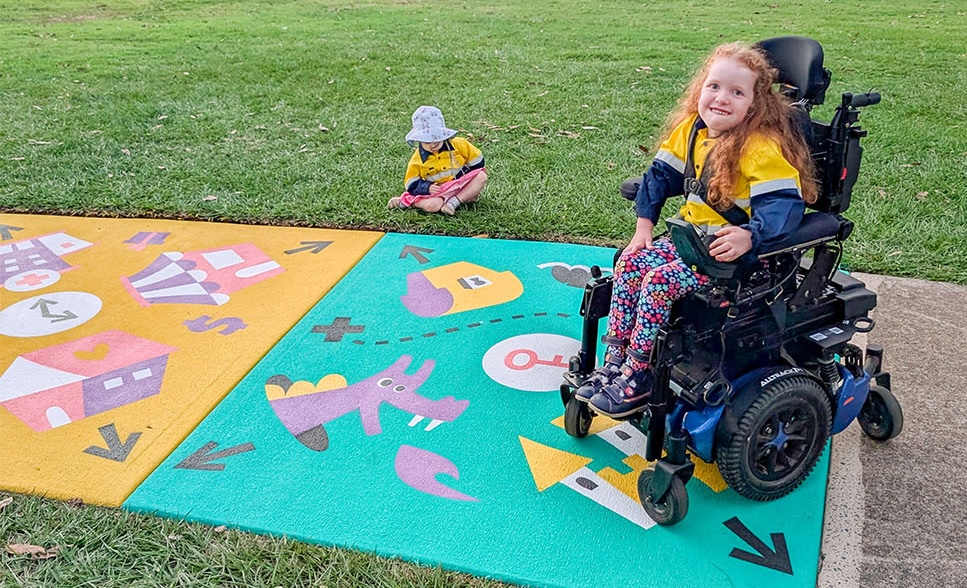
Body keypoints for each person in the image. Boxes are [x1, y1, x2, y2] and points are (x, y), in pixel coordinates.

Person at [576, 41, 818, 418]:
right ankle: (616, 363)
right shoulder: (692, 130)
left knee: (658, 282)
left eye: (737, 92)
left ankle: (638, 376)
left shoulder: (759, 146)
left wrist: (749, 235)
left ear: (754, 104)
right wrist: (644, 227)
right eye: (714, 87)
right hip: (692, 242)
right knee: (630, 263)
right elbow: (658, 178)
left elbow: (784, 205)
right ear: (700, 89)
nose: (722, 98)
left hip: (737, 257)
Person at [388, 106, 488, 215]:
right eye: (427, 142)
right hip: (439, 191)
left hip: (460, 183)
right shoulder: (417, 159)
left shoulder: (459, 144)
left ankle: (453, 202)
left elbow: (478, 161)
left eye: (436, 140)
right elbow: (411, 183)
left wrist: (466, 177)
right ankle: (406, 201)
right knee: (433, 206)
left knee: (481, 176)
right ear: (419, 140)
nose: (433, 145)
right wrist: (427, 187)